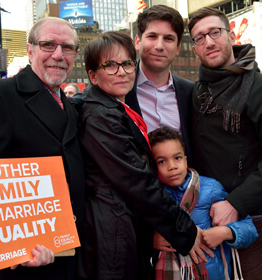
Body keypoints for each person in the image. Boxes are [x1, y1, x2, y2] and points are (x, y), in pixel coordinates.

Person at [0, 17, 85, 280]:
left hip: (67, 254)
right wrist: (17, 247)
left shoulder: (70, 106)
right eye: (48, 44)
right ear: (30, 50)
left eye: (68, 47)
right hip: (21, 268)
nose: (59, 55)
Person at [78, 31, 202, 280]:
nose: (122, 72)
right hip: (112, 233)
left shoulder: (114, 107)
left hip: (123, 225)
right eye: (110, 65)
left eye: (126, 64)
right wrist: (184, 230)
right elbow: (136, 181)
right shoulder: (101, 115)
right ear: (92, 76)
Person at [188, 7, 262, 279]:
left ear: (230, 35)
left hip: (249, 216)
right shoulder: (198, 90)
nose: (209, 42)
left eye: (215, 32)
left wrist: (236, 203)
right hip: (204, 217)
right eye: (200, 38)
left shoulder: (261, 88)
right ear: (195, 49)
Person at [149, 127, 258, 280]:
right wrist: (150, 240)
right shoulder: (149, 198)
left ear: (186, 160)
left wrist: (226, 233)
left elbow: (250, 229)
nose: (172, 166)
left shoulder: (210, 189)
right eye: (162, 161)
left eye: (177, 158)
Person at [126, 5, 194, 164]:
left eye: (168, 38)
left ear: (177, 48)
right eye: (152, 36)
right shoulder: (120, 87)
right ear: (138, 42)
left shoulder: (190, 92)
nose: (159, 46)